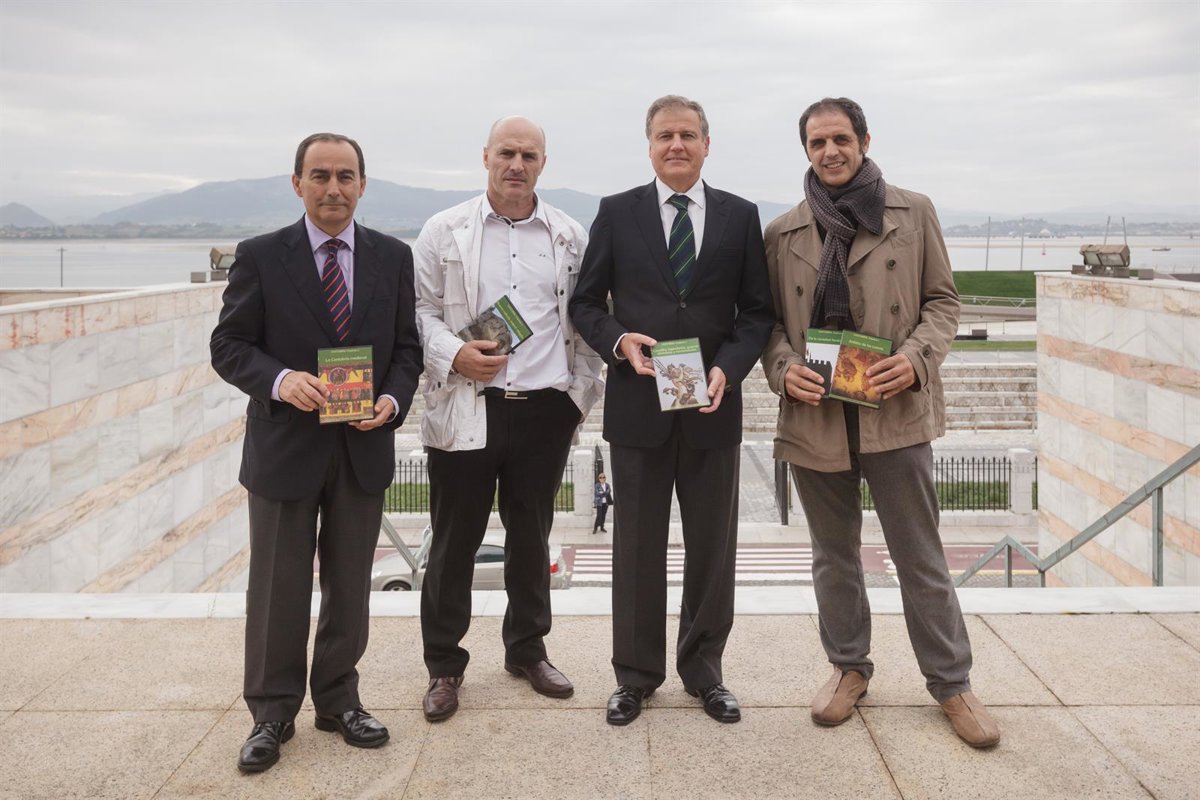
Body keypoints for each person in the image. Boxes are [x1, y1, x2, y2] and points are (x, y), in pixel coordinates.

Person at [761, 97, 1000, 748]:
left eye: (840, 138)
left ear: (864, 141)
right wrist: (782, 369)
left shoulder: (912, 212)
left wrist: (916, 360)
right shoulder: (782, 232)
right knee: (833, 558)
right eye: (817, 143)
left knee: (920, 557)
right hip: (817, 416)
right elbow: (768, 325)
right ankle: (848, 668)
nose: (830, 151)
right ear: (806, 151)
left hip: (895, 411)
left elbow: (942, 301)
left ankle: (951, 683)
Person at [210, 132, 422, 772]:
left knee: (351, 585)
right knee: (278, 587)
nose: (334, 188)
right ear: (297, 183)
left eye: (345, 176)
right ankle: (272, 713)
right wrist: (281, 380)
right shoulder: (260, 256)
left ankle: (337, 701)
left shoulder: (393, 256)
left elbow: (406, 349)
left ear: (363, 185)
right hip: (285, 446)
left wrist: (392, 400)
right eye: (321, 175)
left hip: (362, 446)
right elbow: (229, 346)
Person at [570, 95, 773, 726]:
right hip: (639, 408)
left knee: (712, 549)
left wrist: (729, 368)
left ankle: (705, 671)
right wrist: (618, 341)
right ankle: (634, 677)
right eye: (664, 136)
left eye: (687, 134)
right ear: (650, 146)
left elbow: (757, 313)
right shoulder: (617, 211)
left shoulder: (741, 216)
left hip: (712, 406)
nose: (676, 145)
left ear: (707, 144)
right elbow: (585, 303)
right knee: (636, 548)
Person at [413, 116, 603, 722]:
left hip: (546, 409)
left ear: (543, 163)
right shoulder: (444, 230)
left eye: (528, 155)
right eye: (506, 153)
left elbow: (585, 319)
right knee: (454, 541)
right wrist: (455, 354)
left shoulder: (569, 235)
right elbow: (418, 311)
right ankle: (444, 664)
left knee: (531, 538)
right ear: (486, 157)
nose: (516, 165)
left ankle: (527, 650)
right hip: (471, 403)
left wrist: (575, 399)